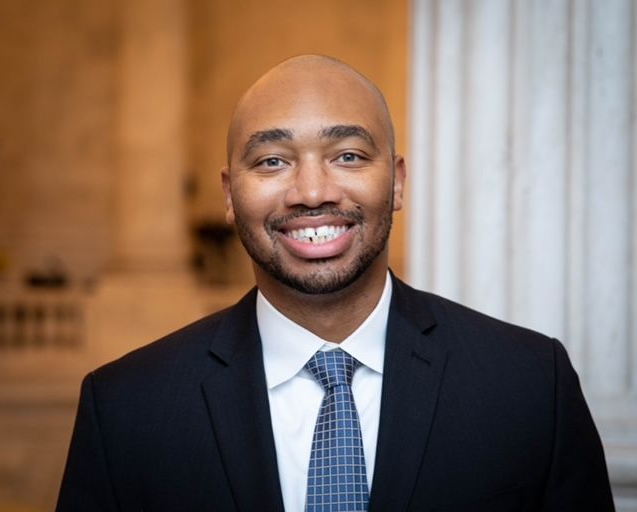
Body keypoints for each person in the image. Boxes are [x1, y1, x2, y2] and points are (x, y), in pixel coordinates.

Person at [57, 55, 614, 512]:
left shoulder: (530, 385)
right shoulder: (126, 409)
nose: (312, 190)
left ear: (396, 182)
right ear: (229, 196)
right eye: (273, 161)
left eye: (348, 155)